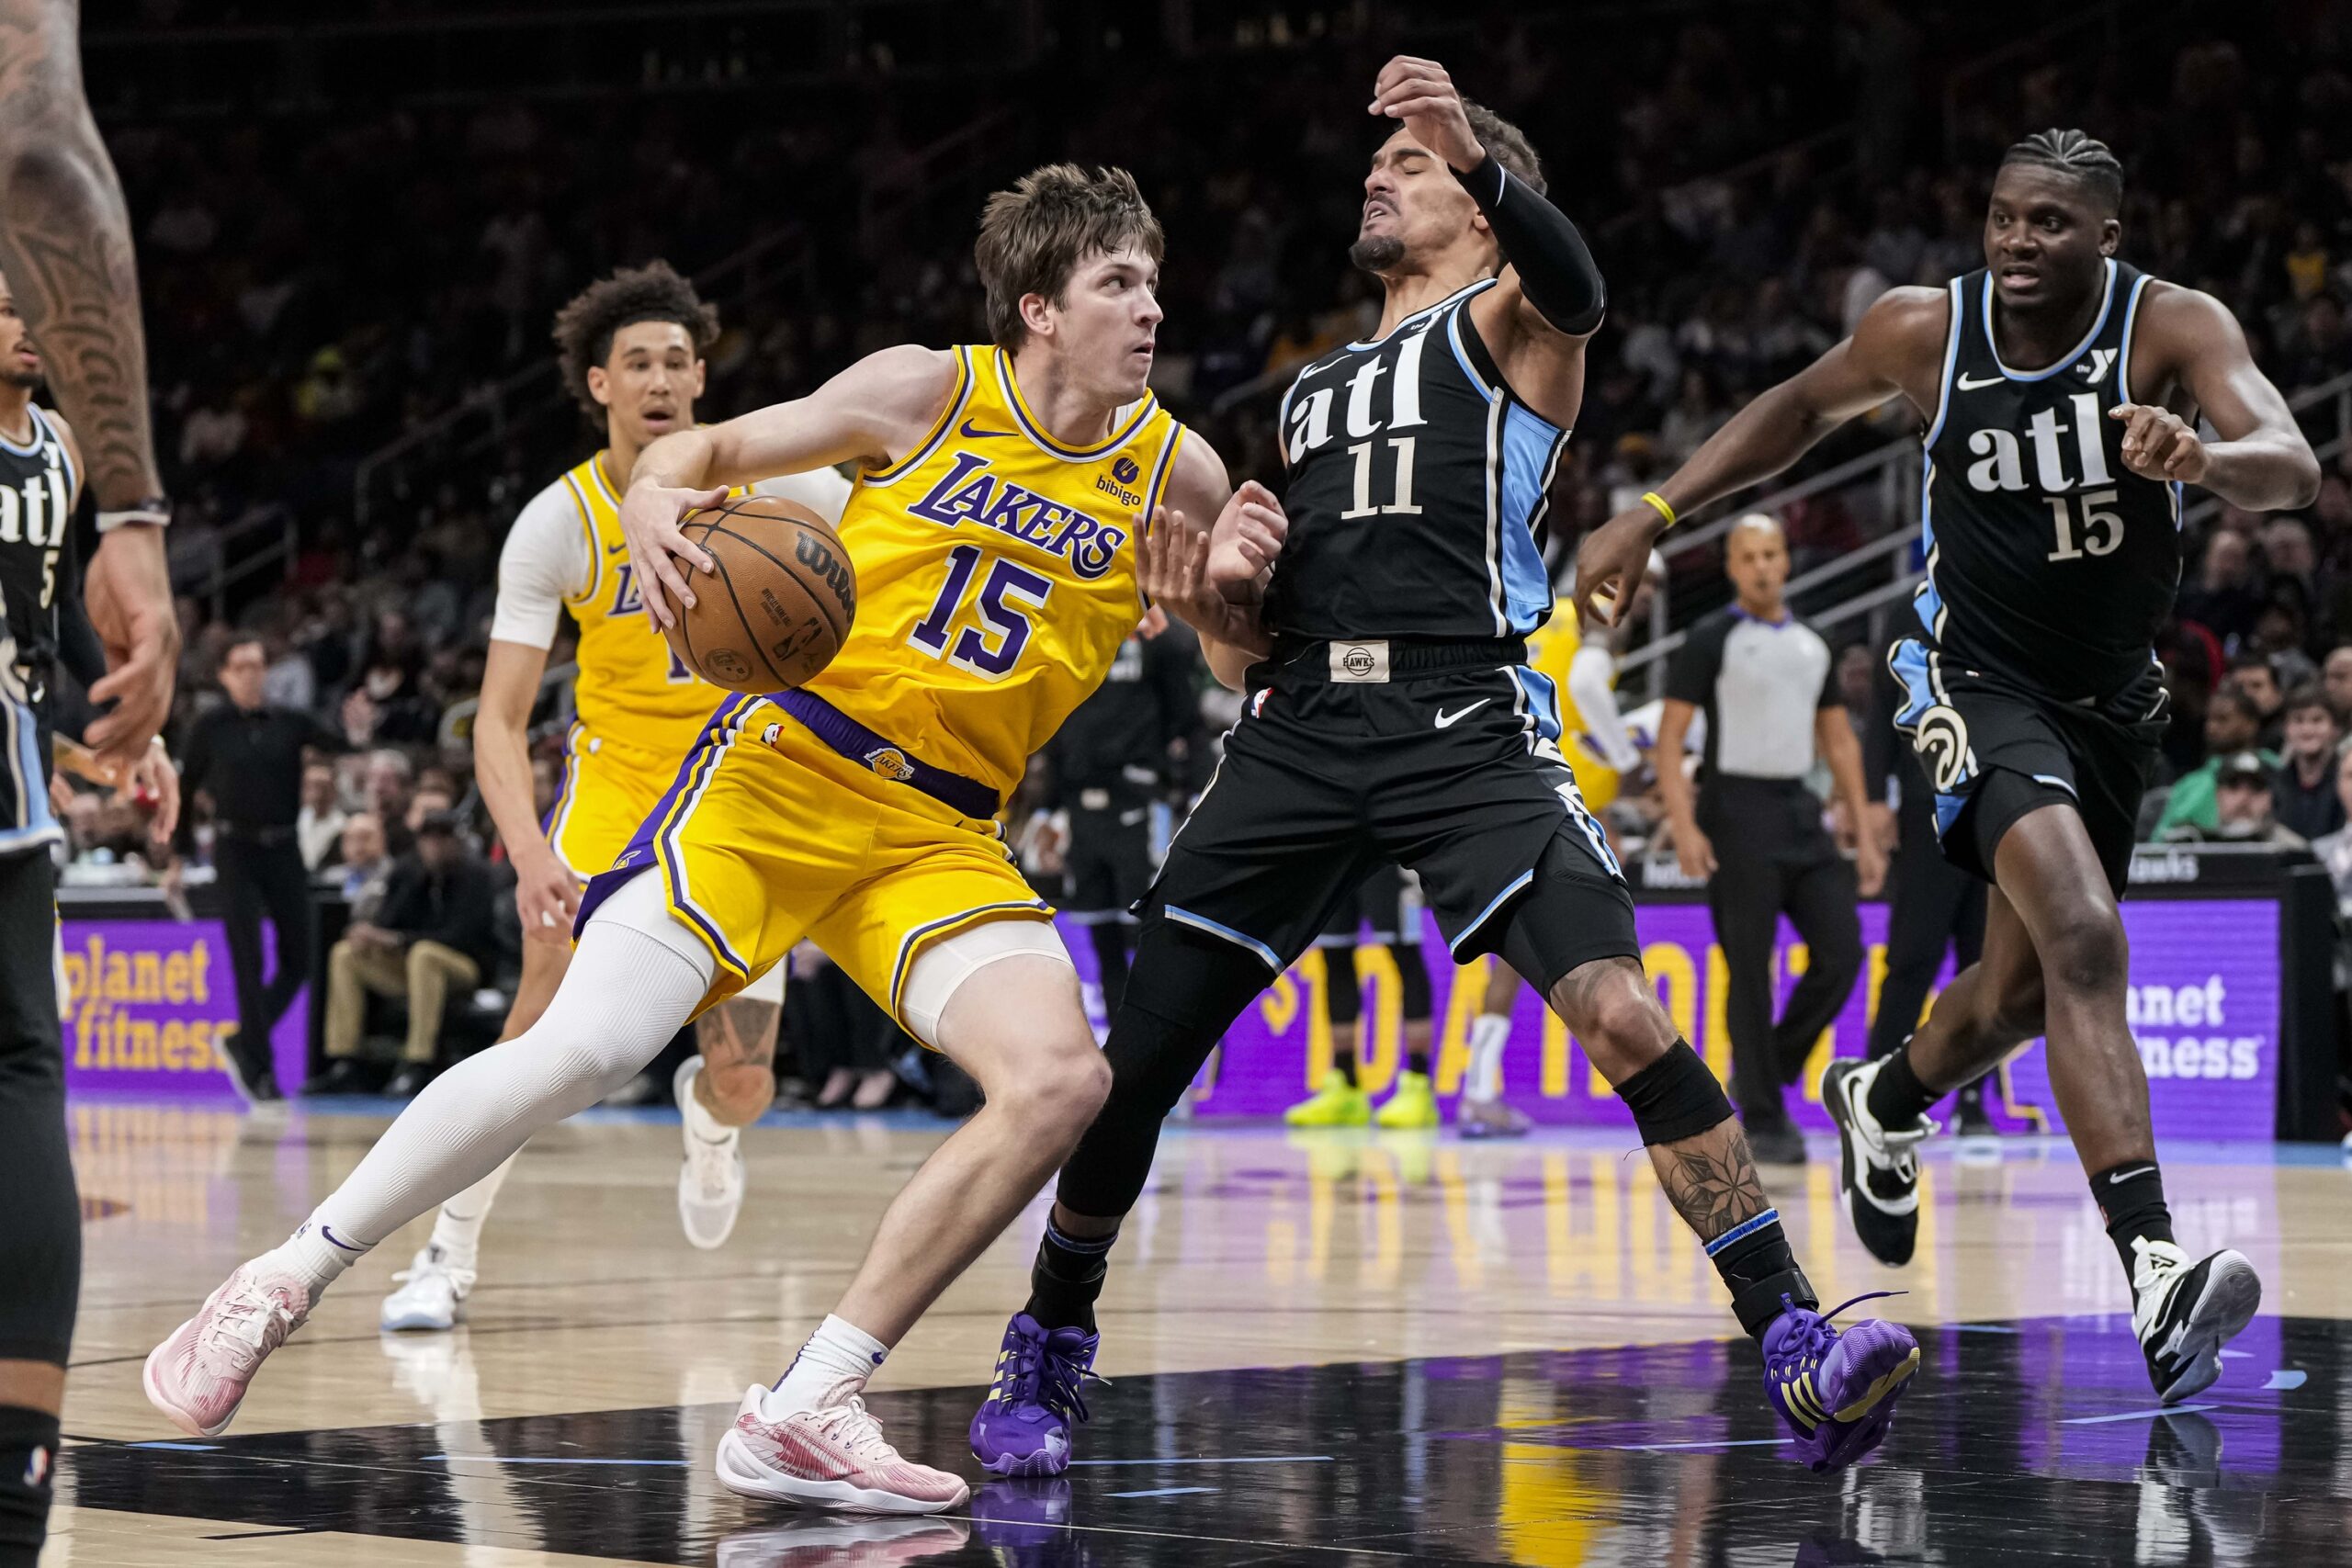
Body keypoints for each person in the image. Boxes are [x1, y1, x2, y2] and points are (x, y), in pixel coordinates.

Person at [147, 164, 1275, 1515]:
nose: (1152, 304)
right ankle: (284, 1274)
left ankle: (808, 1401)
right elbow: (703, 451)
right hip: (783, 773)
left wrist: (1222, 600)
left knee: (1060, 1081)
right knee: (585, 1043)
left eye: (1152, 278)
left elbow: (1229, 657)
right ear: (1040, 306)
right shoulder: (933, 390)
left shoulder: (1182, 466)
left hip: (940, 830)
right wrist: (655, 505)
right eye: (1119, 282)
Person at [971, 59, 1918, 1484]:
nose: (1379, 176)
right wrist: (1207, 596)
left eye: (1409, 167)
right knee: (1135, 1066)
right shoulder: (1300, 398)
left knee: (1617, 1010)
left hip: (1468, 719)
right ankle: (1050, 1334)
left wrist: (1473, 151)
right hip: (1297, 729)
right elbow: (1244, 655)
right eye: (1387, 164)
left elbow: (1584, 285)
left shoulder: (1519, 322)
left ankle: (1789, 1332)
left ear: (1479, 205)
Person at [1576, 129, 2318, 1403]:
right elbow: (1800, 409)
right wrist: (1654, 514)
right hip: (1968, 677)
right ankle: (2156, 1274)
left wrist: (2206, 457)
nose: (2020, 243)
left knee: (2024, 996)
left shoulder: (2172, 328)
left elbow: (2293, 462)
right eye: (2003, 218)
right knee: (2086, 935)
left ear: (2107, 237)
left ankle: (1884, 1088)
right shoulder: (1931, 329)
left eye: (2050, 224)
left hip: (2109, 704)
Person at [374, 265, 852, 1336]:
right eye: (637, 362)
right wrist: (531, 850)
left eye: (678, 361)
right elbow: (497, 719)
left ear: (700, 377)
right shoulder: (563, 521)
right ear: (600, 384)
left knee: (743, 1084)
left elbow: (912, 546)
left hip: (744, 783)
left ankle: (711, 1126)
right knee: (537, 1019)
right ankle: (446, 1257)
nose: (660, 380)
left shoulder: (783, 489)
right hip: (620, 784)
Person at [0, 6, 183, 1551]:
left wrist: (108, 733)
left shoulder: (48, 451)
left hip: (7, 760)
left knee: (19, 1075)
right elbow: (39, 146)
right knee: (19, 1076)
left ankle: (17, 1464)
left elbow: (30, 646)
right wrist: (147, 516)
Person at [1656, 513, 1883, 1165]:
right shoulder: (1710, 638)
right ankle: (1763, 1112)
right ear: (1732, 566)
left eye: (1771, 554)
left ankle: (1768, 1067)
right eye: (1749, 556)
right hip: (1734, 806)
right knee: (1749, 968)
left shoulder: (1816, 641)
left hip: (1798, 808)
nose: (1761, 565)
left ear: (1787, 560)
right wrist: (1686, 823)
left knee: (1843, 949)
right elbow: (1671, 740)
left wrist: (1865, 832)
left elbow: (1839, 739)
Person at [1460, 552, 1664, 1140]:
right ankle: (1479, 1092)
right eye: (1640, 581)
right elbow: (1583, 686)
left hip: (1510, 784)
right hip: (1551, 800)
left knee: (1511, 949)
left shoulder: (1542, 615)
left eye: (1654, 585)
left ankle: (1479, 1089)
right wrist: (1629, 767)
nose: (1644, 596)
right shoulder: (1601, 619)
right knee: (1581, 947)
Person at [179, 637, 359, 1100]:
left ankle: (244, 1040)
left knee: (300, 959)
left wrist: (357, 729)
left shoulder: (291, 721)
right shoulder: (210, 725)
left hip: (284, 846)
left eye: (258, 665)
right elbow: (185, 787)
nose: (252, 674)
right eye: (241, 667)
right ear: (224, 675)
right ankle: (261, 1070)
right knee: (248, 958)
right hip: (233, 847)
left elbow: (337, 744)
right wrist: (179, 854)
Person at [1035, 619, 1202, 1018]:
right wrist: (1046, 810)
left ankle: (1168, 1043)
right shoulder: (1066, 632)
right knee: (1102, 937)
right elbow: (1053, 728)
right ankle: (1117, 1054)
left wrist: (1198, 794)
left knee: (1149, 933)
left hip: (1139, 801)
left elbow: (1187, 719)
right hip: (1080, 806)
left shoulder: (1156, 636)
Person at [1864, 635, 1995, 1139]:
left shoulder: (2001, 599)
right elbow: (1882, 710)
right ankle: (1876, 1083)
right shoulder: (1909, 611)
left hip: (1994, 805)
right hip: (1928, 805)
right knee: (1912, 956)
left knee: (1984, 961)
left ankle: (1973, 1101)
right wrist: (1876, 797)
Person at [313, 811, 499, 1097]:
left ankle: (418, 1061)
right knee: (346, 954)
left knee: (425, 954)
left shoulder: (476, 875)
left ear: (456, 841)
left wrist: (398, 939)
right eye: (428, 839)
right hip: (412, 968)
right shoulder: (407, 871)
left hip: (465, 968)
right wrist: (371, 936)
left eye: (442, 839)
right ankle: (345, 1060)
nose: (435, 846)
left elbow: (463, 937)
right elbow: (388, 922)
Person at [1285, 863, 1440, 1129]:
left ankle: (1419, 1086)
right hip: (1335, 849)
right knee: (1334, 957)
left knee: (1404, 952)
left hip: (1386, 850)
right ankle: (1346, 1086)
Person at [2152, 683, 2271, 839]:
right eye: (2209, 719)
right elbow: (2158, 847)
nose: (2211, 727)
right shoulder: (2189, 784)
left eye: (2222, 719)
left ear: (2251, 723)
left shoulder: (2276, 771)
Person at [2268, 684, 2345, 841]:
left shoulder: (2346, 780)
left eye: (2317, 720)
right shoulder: (2273, 782)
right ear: (2285, 729)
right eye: (2298, 720)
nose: (2307, 729)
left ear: (2335, 729)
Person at [295, 760, 346, 872]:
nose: (318, 794)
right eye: (311, 787)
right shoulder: (295, 820)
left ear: (334, 790)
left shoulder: (343, 825)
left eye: (323, 788)